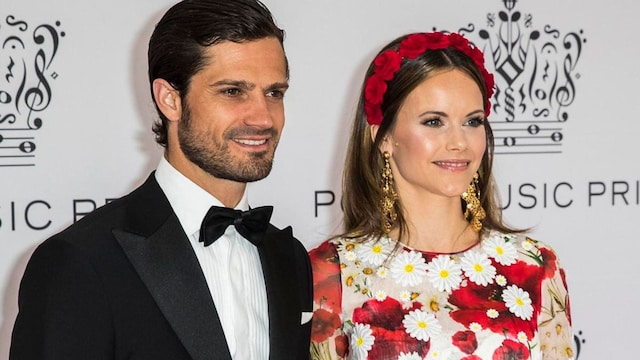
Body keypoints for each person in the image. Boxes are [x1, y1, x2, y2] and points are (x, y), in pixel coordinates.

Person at [9, 1, 313, 359]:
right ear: (170, 99)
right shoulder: (80, 263)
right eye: (233, 91)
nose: (263, 117)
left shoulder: (289, 258)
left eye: (274, 93)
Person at [309, 32, 573, 360]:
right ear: (384, 137)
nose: (459, 142)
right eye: (434, 121)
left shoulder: (535, 266)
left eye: (472, 122)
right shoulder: (331, 270)